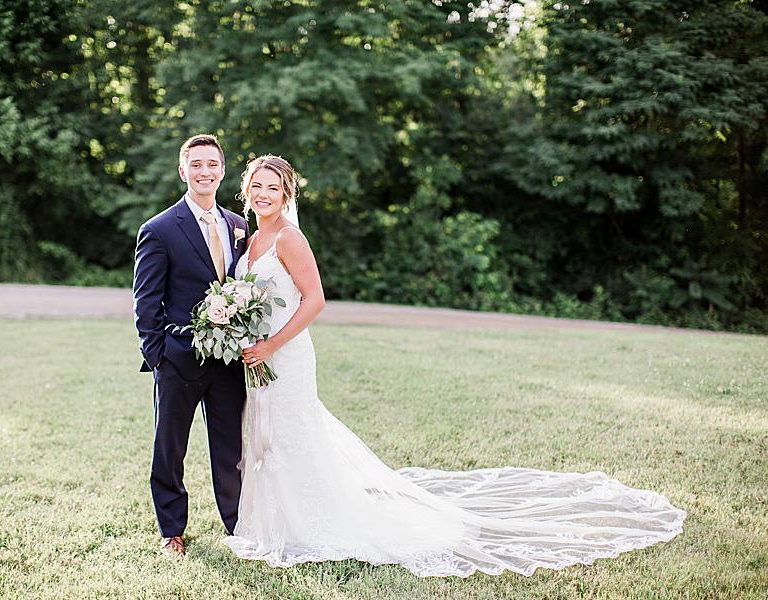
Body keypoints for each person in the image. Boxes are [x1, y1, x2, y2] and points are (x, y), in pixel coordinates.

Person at [225, 154, 687, 577]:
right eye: (257, 186)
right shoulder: (251, 242)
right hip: (260, 355)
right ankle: (272, 525)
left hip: (286, 354)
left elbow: (316, 300)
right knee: (271, 436)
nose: (264, 194)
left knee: (293, 433)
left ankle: (314, 525)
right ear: (246, 191)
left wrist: (273, 344)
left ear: (286, 193)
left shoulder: (289, 237)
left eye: (273, 187)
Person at [133, 134, 249, 556]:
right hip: (179, 359)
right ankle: (172, 529)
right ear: (184, 171)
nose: (204, 171)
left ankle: (238, 526)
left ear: (222, 170)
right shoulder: (159, 229)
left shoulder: (238, 225)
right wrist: (159, 356)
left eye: (212, 164)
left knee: (230, 448)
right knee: (170, 448)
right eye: (196, 164)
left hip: (229, 361)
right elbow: (146, 303)